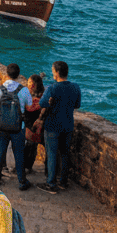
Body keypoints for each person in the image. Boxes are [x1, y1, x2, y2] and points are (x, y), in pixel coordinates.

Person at [37, 60, 81, 194]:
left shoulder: (52, 88)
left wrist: (51, 103)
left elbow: (42, 103)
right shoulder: (75, 87)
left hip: (53, 125)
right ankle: (63, 181)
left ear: (56, 73)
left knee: (52, 154)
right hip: (67, 125)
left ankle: (51, 183)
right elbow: (77, 105)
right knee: (65, 154)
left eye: (53, 71)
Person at [0, 64, 34, 190]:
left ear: (6, 74)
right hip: (18, 127)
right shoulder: (24, 90)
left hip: (1, 127)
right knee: (19, 154)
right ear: (18, 75)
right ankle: (22, 181)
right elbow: (29, 106)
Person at [23, 74, 45, 176]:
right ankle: (27, 167)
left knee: (30, 146)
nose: (28, 85)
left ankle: (26, 167)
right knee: (31, 147)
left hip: (32, 126)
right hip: (36, 126)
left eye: (30, 82)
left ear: (34, 85)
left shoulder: (29, 96)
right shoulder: (43, 96)